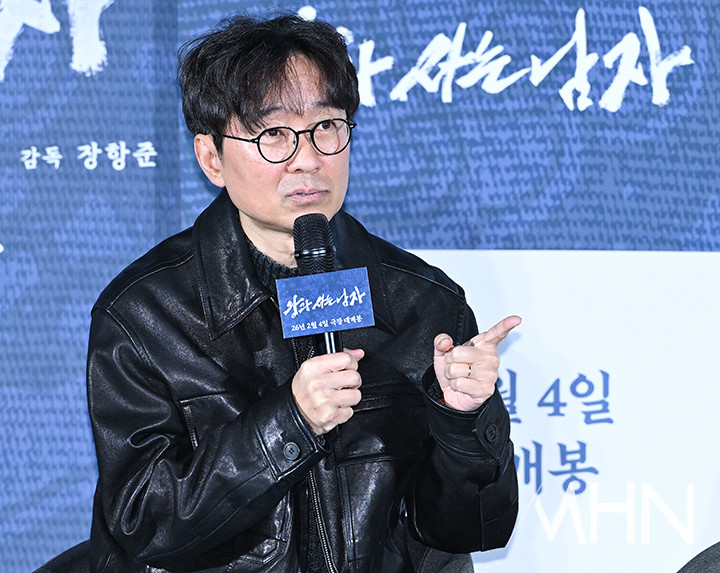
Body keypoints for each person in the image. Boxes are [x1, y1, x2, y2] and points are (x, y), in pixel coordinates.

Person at [85, 13, 520, 573]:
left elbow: (474, 529)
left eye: (327, 127)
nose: (309, 159)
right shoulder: (146, 315)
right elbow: (142, 524)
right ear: (211, 158)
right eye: (273, 135)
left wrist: (464, 422)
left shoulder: (424, 303)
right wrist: (291, 422)